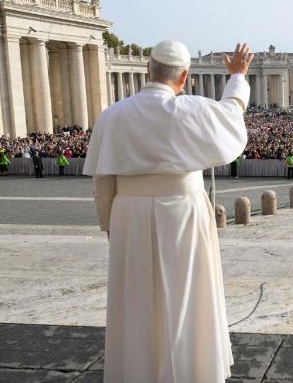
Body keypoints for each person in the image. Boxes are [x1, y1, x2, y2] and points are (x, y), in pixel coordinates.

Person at [83, 41, 254, 383]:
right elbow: (232, 112)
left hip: (128, 213)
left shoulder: (112, 115)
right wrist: (237, 76)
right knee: (186, 297)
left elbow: (103, 182)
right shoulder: (192, 110)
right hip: (183, 212)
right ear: (186, 76)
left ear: (148, 70)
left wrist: (109, 224)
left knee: (137, 299)